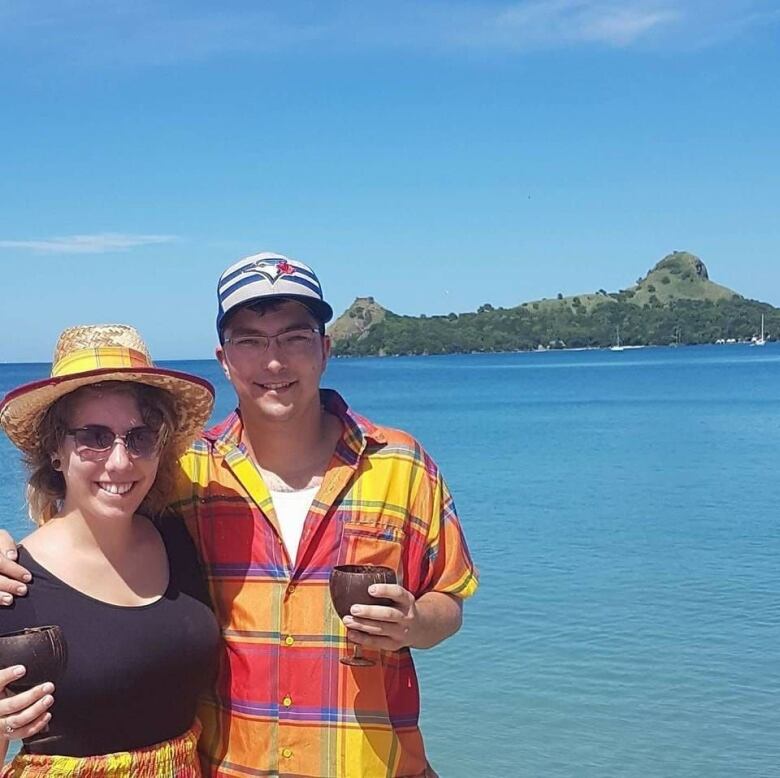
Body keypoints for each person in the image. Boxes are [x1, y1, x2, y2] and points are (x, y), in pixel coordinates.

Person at [0, 253, 479, 778]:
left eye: (294, 338)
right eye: (250, 341)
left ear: (324, 348)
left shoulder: (401, 465)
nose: (274, 363)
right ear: (224, 359)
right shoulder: (188, 477)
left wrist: (413, 623)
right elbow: (86, 524)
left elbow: (448, 600)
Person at [0, 324, 220, 777]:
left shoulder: (178, 535)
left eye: (139, 437)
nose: (119, 461)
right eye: (94, 437)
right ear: (55, 451)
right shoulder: (13, 583)